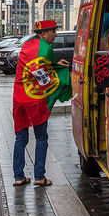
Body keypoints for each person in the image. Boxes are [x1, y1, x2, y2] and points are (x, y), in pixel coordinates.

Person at [12, 20, 71, 187]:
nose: (56, 34)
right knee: (41, 137)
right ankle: (39, 176)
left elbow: (38, 68)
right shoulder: (46, 48)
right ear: (44, 33)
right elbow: (45, 78)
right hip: (36, 100)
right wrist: (62, 74)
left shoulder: (27, 46)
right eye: (53, 31)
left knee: (20, 138)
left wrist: (55, 66)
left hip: (19, 97)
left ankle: (18, 176)